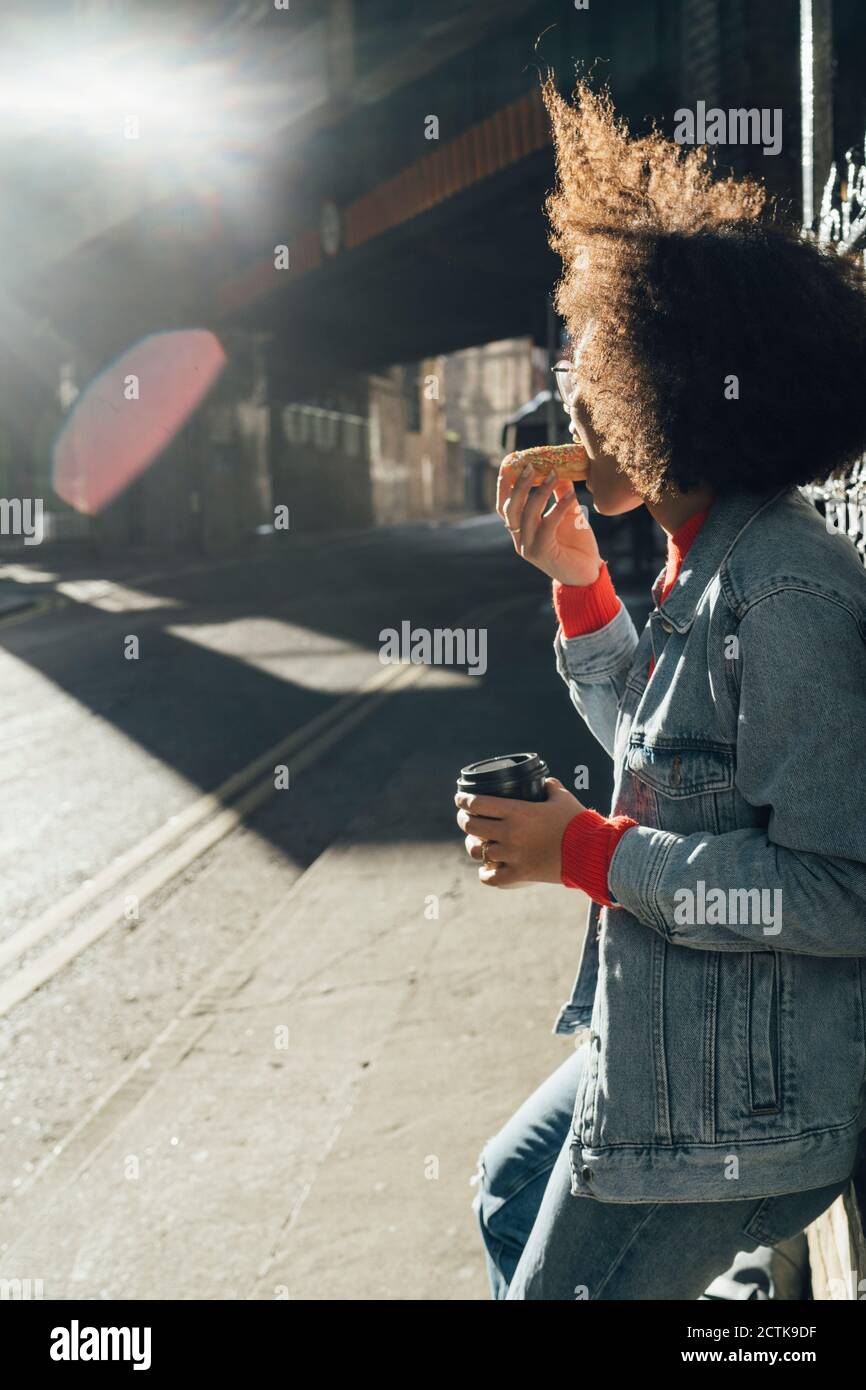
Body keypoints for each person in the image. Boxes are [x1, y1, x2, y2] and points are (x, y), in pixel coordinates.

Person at [454, 78, 866, 1300]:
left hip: (737, 1107)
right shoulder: (711, 550)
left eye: (589, 348)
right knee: (502, 1186)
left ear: (668, 377)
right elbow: (672, 748)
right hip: (673, 1046)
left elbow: (838, 892)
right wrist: (579, 582)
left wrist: (585, 852)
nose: (570, 385)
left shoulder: (782, 592)